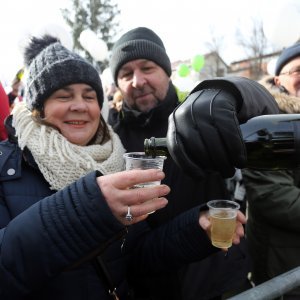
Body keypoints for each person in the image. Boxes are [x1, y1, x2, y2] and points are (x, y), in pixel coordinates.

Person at [0, 34, 246, 300]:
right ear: (38, 108)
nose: (80, 106)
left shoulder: (113, 159)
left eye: (89, 95)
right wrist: (85, 207)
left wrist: (195, 228)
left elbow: (135, 256)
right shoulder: (7, 168)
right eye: (63, 96)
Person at [109, 27, 253, 300]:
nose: (138, 81)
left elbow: (261, 106)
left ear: (167, 71)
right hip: (151, 285)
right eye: (126, 74)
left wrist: (230, 92)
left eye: (147, 68)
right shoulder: (109, 137)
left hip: (218, 277)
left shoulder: (198, 114)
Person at [241, 42, 300, 299]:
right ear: (279, 79)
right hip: (283, 266)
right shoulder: (265, 121)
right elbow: (277, 198)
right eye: (299, 70)